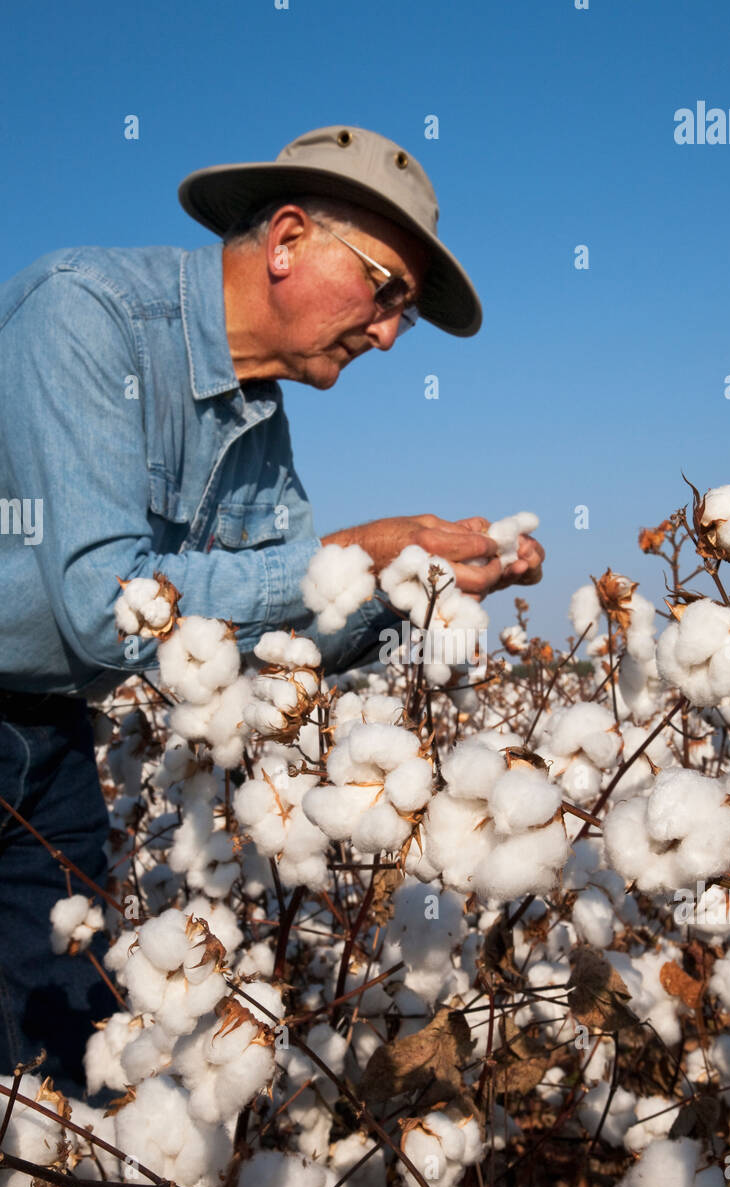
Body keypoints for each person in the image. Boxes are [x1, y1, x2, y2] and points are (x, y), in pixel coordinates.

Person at [0, 124, 544, 1088]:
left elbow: (284, 637)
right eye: (386, 292)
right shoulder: (83, 315)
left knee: (58, 1074)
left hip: (48, 738)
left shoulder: (260, 427)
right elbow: (106, 607)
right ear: (288, 238)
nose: (385, 334)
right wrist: (355, 550)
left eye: (403, 317)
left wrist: (409, 586)